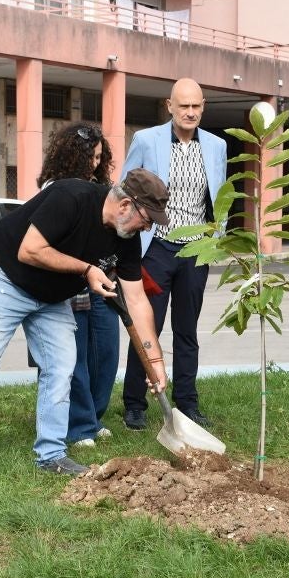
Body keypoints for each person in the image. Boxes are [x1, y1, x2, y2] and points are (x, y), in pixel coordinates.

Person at [0, 169, 170, 491]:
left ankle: (51, 454)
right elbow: (30, 250)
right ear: (125, 205)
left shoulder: (127, 238)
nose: (148, 227)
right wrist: (87, 269)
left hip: (51, 297)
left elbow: (137, 299)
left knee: (62, 369)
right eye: (147, 218)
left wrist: (155, 362)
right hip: (4, 279)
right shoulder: (70, 197)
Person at [119, 78, 227, 431]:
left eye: (196, 106)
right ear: (170, 106)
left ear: (203, 106)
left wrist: (217, 239)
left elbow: (220, 196)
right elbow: (125, 187)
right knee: (148, 325)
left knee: (187, 331)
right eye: (184, 106)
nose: (191, 112)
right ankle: (134, 404)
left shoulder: (216, 145)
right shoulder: (147, 140)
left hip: (196, 251)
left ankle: (188, 403)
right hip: (157, 249)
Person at [35, 123, 120, 449]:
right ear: (72, 157)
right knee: (76, 359)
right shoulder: (56, 189)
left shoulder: (105, 189)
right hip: (70, 285)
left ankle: (94, 417)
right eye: (90, 158)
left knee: (106, 352)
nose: (96, 164)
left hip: (104, 279)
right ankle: (79, 425)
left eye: (100, 158)